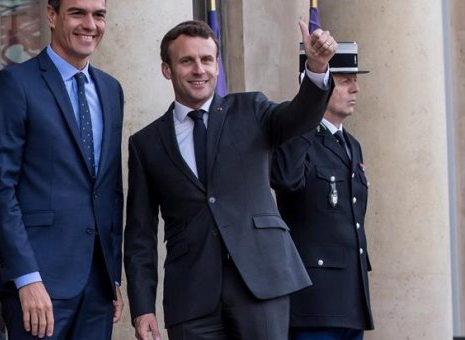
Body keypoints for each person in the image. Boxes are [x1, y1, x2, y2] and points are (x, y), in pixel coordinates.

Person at [124, 20, 337, 340]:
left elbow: (300, 117)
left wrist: (317, 68)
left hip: (261, 283)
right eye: (187, 61)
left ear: (217, 65)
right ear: (167, 70)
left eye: (207, 60)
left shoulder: (250, 108)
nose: (199, 69)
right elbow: (140, 234)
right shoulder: (146, 143)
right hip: (191, 296)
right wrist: (142, 307)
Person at [0, 0, 124, 338]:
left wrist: (112, 274)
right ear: (51, 14)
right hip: (38, 283)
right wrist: (26, 278)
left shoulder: (111, 90)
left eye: (98, 15)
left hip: (97, 285)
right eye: (77, 13)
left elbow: (110, 188)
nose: (90, 24)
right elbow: (0, 189)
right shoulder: (14, 85)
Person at [271, 42, 373, 340]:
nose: (355, 89)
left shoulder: (351, 144)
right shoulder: (296, 134)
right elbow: (286, 179)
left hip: (350, 299)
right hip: (313, 302)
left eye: (355, 80)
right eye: (344, 81)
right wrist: (306, 110)